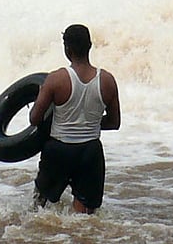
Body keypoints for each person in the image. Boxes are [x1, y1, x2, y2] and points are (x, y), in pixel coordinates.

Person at [29, 24, 120, 214]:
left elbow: (35, 118)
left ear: (67, 49)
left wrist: (42, 96)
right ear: (90, 46)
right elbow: (114, 122)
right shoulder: (107, 80)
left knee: (39, 208)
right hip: (90, 152)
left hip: (58, 150)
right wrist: (88, 123)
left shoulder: (56, 79)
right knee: (83, 216)